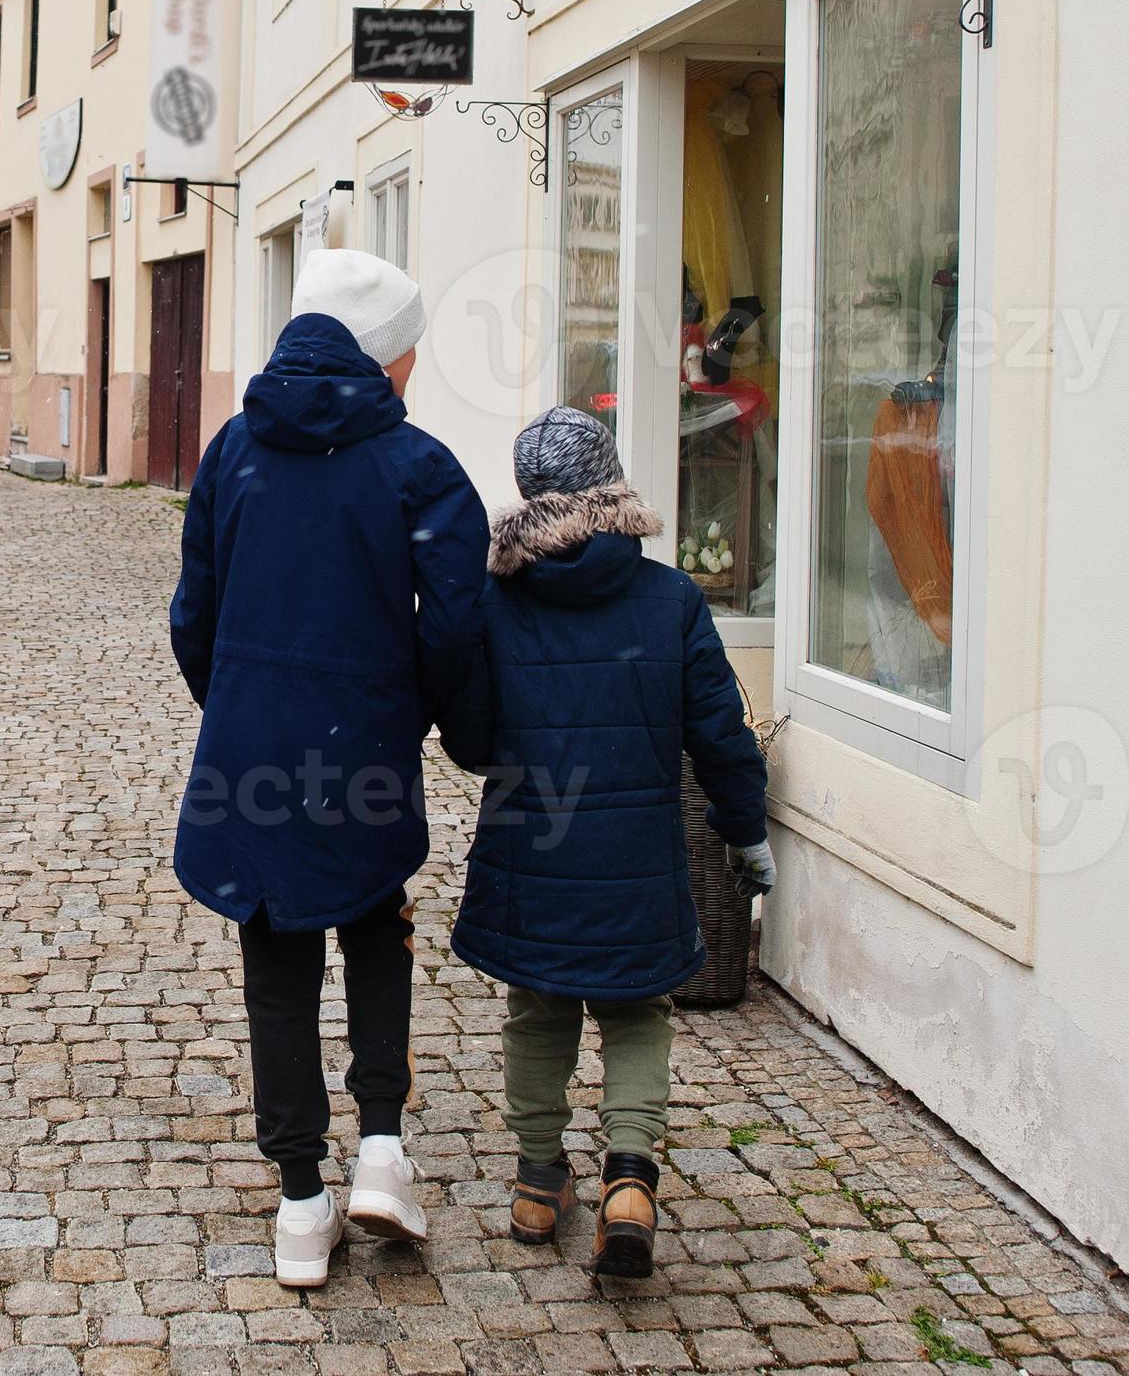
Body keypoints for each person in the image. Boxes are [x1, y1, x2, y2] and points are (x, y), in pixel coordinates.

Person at [169, 248, 490, 1290]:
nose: (408, 377)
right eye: (408, 357)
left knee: (275, 953)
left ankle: (302, 1202)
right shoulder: (420, 468)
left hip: (256, 746)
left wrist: (243, 708)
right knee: (376, 919)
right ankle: (384, 1151)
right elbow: (454, 628)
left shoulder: (231, 451)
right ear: (384, 358)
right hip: (366, 742)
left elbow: (194, 616)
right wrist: (449, 724)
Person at [440, 406, 772, 1281]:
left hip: (530, 854)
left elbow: (473, 745)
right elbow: (723, 736)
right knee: (638, 1011)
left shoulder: (493, 601)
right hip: (640, 858)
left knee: (538, 1007)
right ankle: (630, 1181)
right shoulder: (672, 597)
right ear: (612, 481)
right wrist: (747, 831)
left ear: (526, 494)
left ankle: (539, 1184)